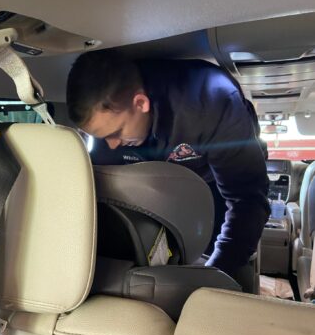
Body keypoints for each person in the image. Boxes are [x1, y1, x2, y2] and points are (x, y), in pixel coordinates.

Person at [67, 50, 270, 276]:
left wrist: (216, 276)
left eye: (117, 133)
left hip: (213, 178)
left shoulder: (211, 100)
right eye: (101, 137)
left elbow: (247, 199)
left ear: (141, 103)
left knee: (229, 261)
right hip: (156, 183)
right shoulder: (108, 127)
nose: (111, 145)